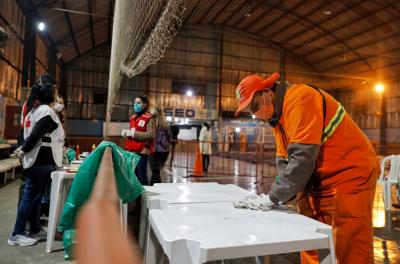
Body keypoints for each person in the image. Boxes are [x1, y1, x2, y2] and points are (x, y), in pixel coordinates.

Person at [234, 73, 379, 263]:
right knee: (311, 242)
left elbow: (302, 159)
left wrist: (274, 197)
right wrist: (277, 194)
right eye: (251, 111)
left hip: (350, 175)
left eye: (255, 105)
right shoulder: (278, 121)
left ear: (267, 91)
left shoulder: (300, 99)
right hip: (319, 180)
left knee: (350, 245)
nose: (256, 113)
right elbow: (284, 162)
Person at [9, 82, 65, 247]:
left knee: (36, 196)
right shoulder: (46, 111)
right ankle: (16, 233)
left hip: (37, 159)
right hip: (40, 159)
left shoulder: (33, 111)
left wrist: (23, 150)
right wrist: (23, 149)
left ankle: (34, 227)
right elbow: (36, 135)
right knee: (30, 195)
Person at [122, 95, 155, 185]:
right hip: (131, 151)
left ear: (144, 105)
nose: (135, 104)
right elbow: (132, 132)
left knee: (142, 177)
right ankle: (136, 197)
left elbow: (151, 135)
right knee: (133, 176)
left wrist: (133, 134)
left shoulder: (149, 118)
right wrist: (127, 133)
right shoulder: (132, 118)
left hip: (142, 152)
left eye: (138, 103)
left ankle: (144, 198)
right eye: (135, 102)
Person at [149, 107, 171, 185]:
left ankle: (157, 189)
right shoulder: (165, 125)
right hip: (164, 151)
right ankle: (153, 187)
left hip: (154, 150)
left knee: (155, 172)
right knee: (156, 171)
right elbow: (169, 137)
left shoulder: (151, 123)